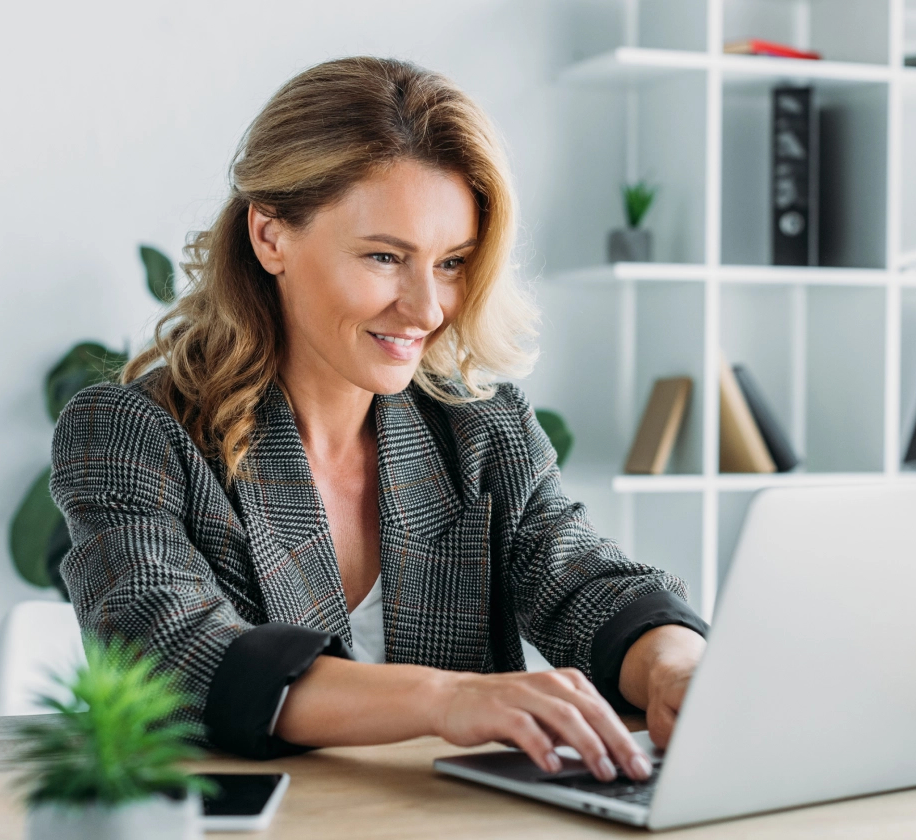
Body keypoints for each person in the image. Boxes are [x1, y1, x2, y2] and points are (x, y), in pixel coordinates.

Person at [50, 56, 708, 785]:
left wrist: (676, 666)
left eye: (452, 263)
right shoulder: (129, 433)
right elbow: (172, 655)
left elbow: (586, 584)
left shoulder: (483, 429)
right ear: (270, 236)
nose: (426, 309)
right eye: (386, 257)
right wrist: (445, 698)